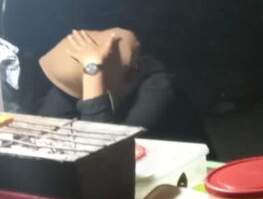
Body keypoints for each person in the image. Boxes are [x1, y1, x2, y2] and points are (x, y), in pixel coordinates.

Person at [35, 27, 209, 146]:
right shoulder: (74, 83)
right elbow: (47, 130)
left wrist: (93, 72)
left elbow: (101, 148)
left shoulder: (157, 88)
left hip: (174, 173)